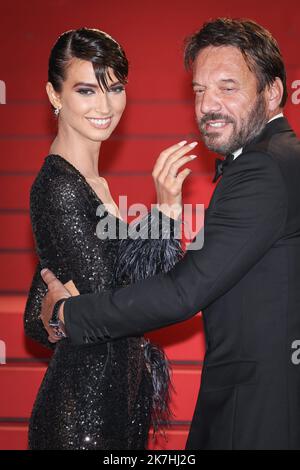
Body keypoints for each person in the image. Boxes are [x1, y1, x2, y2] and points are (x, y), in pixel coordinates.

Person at [40, 18, 300, 450]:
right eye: (199, 90)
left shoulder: (263, 169)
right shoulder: (280, 159)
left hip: (257, 410)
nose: (208, 105)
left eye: (227, 87)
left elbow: (184, 291)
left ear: (273, 92)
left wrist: (69, 316)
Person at [24, 27, 197, 450]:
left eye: (115, 88)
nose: (105, 106)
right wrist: (166, 212)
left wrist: (49, 314)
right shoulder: (59, 187)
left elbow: (42, 305)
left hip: (117, 401)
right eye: (86, 90)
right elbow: (113, 307)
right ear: (54, 95)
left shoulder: (94, 184)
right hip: (83, 416)